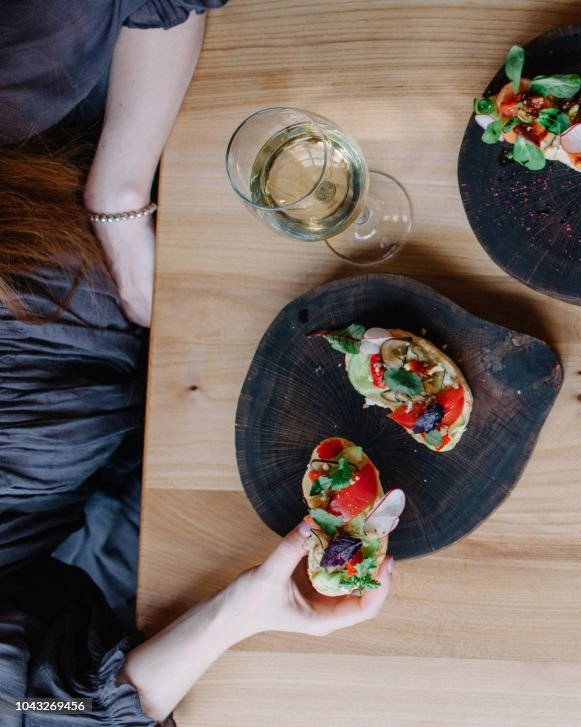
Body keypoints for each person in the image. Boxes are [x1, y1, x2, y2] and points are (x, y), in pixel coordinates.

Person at [0, 3, 396, 724]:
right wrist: (239, 611)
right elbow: (42, 703)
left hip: (155, 191)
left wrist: (118, 196)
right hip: (143, 427)